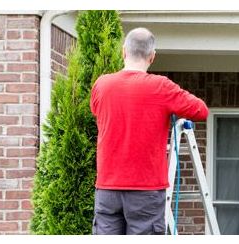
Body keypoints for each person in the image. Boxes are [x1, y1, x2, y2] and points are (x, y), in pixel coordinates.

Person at [89, 27, 209, 235]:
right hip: (145, 191)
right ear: (152, 57)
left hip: (107, 189)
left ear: (123, 52)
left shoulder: (102, 85)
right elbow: (201, 110)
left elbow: (96, 111)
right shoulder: (161, 87)